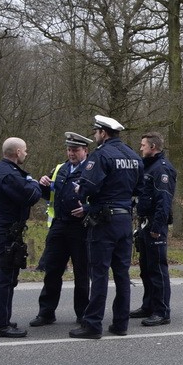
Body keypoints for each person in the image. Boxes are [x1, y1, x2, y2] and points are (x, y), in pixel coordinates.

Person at [69, 115, 142, 339]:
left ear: (103, 133)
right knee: (122, 274)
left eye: (95, 132)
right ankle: (120, 324)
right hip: (124, 221)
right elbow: (139, 188)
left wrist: (79, 191)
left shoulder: (101, 155)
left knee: (99, 273)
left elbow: (87, 187)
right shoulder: (133, 155)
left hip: (104, 222)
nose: (94, 136)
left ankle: (93, 325)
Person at [30, 132, 93, 327]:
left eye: (75, 150)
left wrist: (87, 209)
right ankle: (46, 312)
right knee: (52, 270)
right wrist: (43, 186)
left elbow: (103, 196)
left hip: (80, 228)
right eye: (69, 150)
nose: (71, 153)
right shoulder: (60, 168)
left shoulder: (93, 170)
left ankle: (83, 313)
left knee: (82, 273)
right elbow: (50, 195)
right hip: (59, 226)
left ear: (85, 151)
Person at [0, 138, 42, 337]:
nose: (27, 153)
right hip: (6, 231)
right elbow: (30, 196)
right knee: (6, 279)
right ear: (17, 152)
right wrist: (34, 182)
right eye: (25, 150)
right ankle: (1, 326)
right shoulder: (9, 175)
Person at [131, 131, 177, 327]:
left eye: (143, 145)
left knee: (157, 269)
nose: (140, 148)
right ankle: (148, 305)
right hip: (144, 223)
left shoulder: (162, 170)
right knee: (146, 268)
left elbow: (163, 202)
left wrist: (157, 228)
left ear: (153, 147)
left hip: (154, 224)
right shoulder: (147, 167)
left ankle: (161, 311)